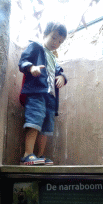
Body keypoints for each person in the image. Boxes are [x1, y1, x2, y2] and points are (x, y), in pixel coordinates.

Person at [18, 22, 67, 165]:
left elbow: (59, 72)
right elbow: (23, 61)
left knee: (46, 128)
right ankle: (27, 154)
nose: (56, 43)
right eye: (53, 38)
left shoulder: (53, 58)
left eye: (60, 41)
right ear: (45, 34)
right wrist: (31, 67)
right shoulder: (36, 47)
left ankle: (40, 156)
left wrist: (62, 77)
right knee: (34, 121)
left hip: (50, 98)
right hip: (36, 92)